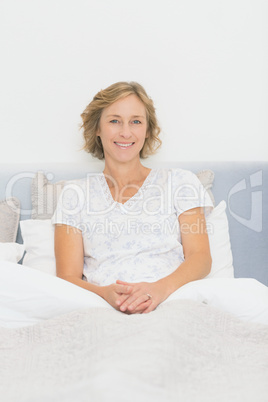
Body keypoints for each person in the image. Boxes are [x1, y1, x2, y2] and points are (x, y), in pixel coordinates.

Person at [52, 81, 213, 314]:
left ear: (147, 130)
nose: (125, 132)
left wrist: (158, 290)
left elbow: (201, 258)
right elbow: (67, 277)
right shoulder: (74, 194)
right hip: (102, 311)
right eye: (114, 121)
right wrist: (105, 294)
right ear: (97, 128)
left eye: (136, 121)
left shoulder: (180, 182)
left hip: (172, 305)